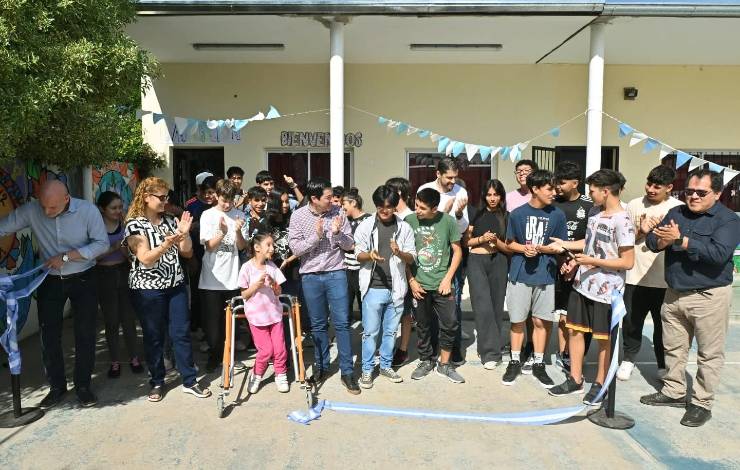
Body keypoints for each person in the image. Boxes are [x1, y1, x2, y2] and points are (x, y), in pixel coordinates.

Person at [640, 169, 740, 427]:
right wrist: (661, 241)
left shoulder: (728, 219)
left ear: (717, 193)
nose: (693, 196)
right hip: (674, 294)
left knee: (709, 354)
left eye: (701, 192)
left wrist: (681, 241)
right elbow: (652, 241)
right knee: (673, 348)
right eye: (689, 191)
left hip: (708, 296)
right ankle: (673, 391)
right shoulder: (676, 213)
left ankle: (701, 403)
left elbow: (718, 254)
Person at [0, 180, 108, 408]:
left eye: (53, 207)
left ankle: (83, 387)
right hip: (49, 281)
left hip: (84, 278)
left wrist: (68, 256)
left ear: (67, 199)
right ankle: (57, 387)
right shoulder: (33, 210)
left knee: (85, 333)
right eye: (43, 206)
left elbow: (102, 244)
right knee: (48, 335)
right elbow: (4, 226)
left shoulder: (87, 211)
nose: (47, 212)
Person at [549, 169, 635, 406]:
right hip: (583, 284)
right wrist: (566, 245)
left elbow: (627, 261)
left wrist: (592, 261)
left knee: (603, 339)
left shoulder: (623, 220)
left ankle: (600, 384)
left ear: (606, 191)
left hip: (607, 291)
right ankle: (575, 379)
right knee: (575, 331)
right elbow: (590, 242)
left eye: (593, 190)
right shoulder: (595, 212)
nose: (590, 195)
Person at [124, 177, 211, 402]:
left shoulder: (171, 221)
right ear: (146, 198)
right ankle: (157, 381)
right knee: (154, 336)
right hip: (147, 289)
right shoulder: (134, 225)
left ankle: (190, 380)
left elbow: (187, 253)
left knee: (181, 333)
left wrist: (184, 234)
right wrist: (166, 244)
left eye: (167, 197)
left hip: (175, 285)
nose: (165, 201)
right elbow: (145, 259)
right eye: (161, 197)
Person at [288, 177, 360, 394]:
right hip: (310, 276)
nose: (333, 201)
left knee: (342, 324)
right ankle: (322, 367)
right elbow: (296, 249)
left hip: (336, 273)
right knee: (318, 325)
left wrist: (337, 234)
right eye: (328, 198)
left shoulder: (338, 213)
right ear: (314, 198)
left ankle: (347, 372)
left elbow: (350, 245)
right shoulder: (298, 216)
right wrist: (316, 237)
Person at [502, 170, 567, 389]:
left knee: (541, 321)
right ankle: (514, 361)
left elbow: (561, 246)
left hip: (546, 275)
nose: (554, 192)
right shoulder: (517, 214)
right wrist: (524, 249)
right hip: (519, 274)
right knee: (517, 320)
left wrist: (547, 250)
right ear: (535, 189)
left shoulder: (557, 215)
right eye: (549, 188)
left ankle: (539, 363)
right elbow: (509, 243)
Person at [618, 165, 683, 381]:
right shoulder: (634, 205)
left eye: (657, 186)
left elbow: (680, 243)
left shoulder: (678, 209)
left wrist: (665, 235)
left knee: (663, 326)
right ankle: (628, 359)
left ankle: (662, 365)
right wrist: (641, 230)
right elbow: (622, 240)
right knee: (631, 322)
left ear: (669, 188)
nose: (651, 189)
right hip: (634, 276)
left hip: (665, 280)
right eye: (649, 184)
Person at [355, 185, 416, 388]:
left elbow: (412, 257)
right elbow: (358, 254)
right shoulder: (366, 226)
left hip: (396, 288)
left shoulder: (404, 228)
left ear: (395, 206)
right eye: (380, 206)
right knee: (370, 332)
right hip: (373, 287)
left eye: (388, 206)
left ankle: (386, 365)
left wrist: (399, 253)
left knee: (390, 332)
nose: (384, 210)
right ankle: (367, 370)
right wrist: (369, 255)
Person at [407, 188, 464, 383]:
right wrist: (411, 280)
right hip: (419, 285)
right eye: (416, 205)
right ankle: (426, 360)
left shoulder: (448, 221)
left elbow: (457, 252)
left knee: (450, 323)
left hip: (442, 284)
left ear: (434, 208)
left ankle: (444, 364)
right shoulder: (409, 221)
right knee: (422, 326)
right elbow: (405, 256)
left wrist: (448, 279)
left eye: (422, 208)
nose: (417, 210)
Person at [417, 157, 469, 364]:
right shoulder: (425, 190)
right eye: (449, 178)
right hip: (429, 253)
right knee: (427, 307)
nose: (452, 182)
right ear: (438, 174)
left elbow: (463, 228)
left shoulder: (461, 192)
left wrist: (458, 214)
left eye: (455, 177)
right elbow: (420, 223)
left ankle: (453, 349)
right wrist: (443, 214)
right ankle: (430, 351)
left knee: (452, 303)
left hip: (452, 253)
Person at [199, 179, 247, 372]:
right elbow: (209, 246)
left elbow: (242, 247)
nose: (227, 204)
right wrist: (222, 232)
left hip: (232, 278)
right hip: (211, 278)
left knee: (230, 320)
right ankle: (214, 355)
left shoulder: (239, 215)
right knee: (212, 323)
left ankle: (228, 355)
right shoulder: (207, 215)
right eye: (223, 200)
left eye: (230, 200)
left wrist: (237, 231)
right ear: (216, 196)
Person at [95, 191, 143, 378]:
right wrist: (114, 248)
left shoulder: (125, 226)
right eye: (113, 208)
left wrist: (126, 252)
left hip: (124, 272)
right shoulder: (96, 227)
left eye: (120, 207)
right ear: (102, 209)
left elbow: (133, 255)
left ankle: (134, 357)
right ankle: (114, 361)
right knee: (111, 321)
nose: (118, 211)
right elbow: (92, 258)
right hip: (103, 275)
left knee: (128, 319)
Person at [552, 161, 594, 372]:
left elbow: (593, 240)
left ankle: (577, 355)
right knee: (562, 316)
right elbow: (550, 238)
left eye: (562, 182)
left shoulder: (589, 205)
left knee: (578, 318)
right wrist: (562, 262)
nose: (557, 187)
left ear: (575, 183)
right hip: (558, 266)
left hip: (583, 268)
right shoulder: (552, 204)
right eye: (556, 182)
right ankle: (564, 356)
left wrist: (576, 262)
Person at [465, 180, 510, 370]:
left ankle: (490, 346)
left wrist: (496, 242)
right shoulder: (475, 214)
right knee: (482, 306)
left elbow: (509, 247)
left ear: (501, 196)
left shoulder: (507, 216)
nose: (492, 198)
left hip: (499, 261)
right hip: (476, 261)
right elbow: (466, 242)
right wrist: (482, 239)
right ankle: (490, 353)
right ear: (484, 196)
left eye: (496, 194)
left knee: (497, 306)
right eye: (489, 194)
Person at [239, 233, 290, 394]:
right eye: (268, 245)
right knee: (266, 350)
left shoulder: (272, 266)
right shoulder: (246, 267)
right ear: (257, 247)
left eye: (272, 245)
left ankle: (280, 374)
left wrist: (274, 285)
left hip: (274, 314)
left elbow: (278, 291)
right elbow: (244, 294)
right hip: (256, 317)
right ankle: (257, 374)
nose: (272, 248)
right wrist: (256, 285)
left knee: (280, 349)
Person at [385, 177, 416, 367]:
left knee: (405, 313)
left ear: (398, 193)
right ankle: (387, 346)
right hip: (386, 273)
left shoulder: (411, 217)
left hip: (405, 273)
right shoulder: (385, 214)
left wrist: (411, 278)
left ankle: (403, 349)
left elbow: (413, 251)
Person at [185, 175, 217, 339]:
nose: (208, 196)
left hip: (218, 258)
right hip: (197, 254)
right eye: (206, 192)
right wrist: (191, 259)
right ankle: (199, 326)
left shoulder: (223, 207)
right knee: (199, 294)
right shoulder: (193, 206)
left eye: (212, 192)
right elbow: (186, 231)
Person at [342, 188, 371, 321]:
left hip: (363, 268)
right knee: (346, 302)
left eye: (344, 204)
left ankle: (367, 329)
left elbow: (369, 244)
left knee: (363, 301)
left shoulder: (368, 219)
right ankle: (345, 329)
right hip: (347, 268)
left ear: (353, 203)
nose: (342, 207)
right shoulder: (345, 220)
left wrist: (351, 245)